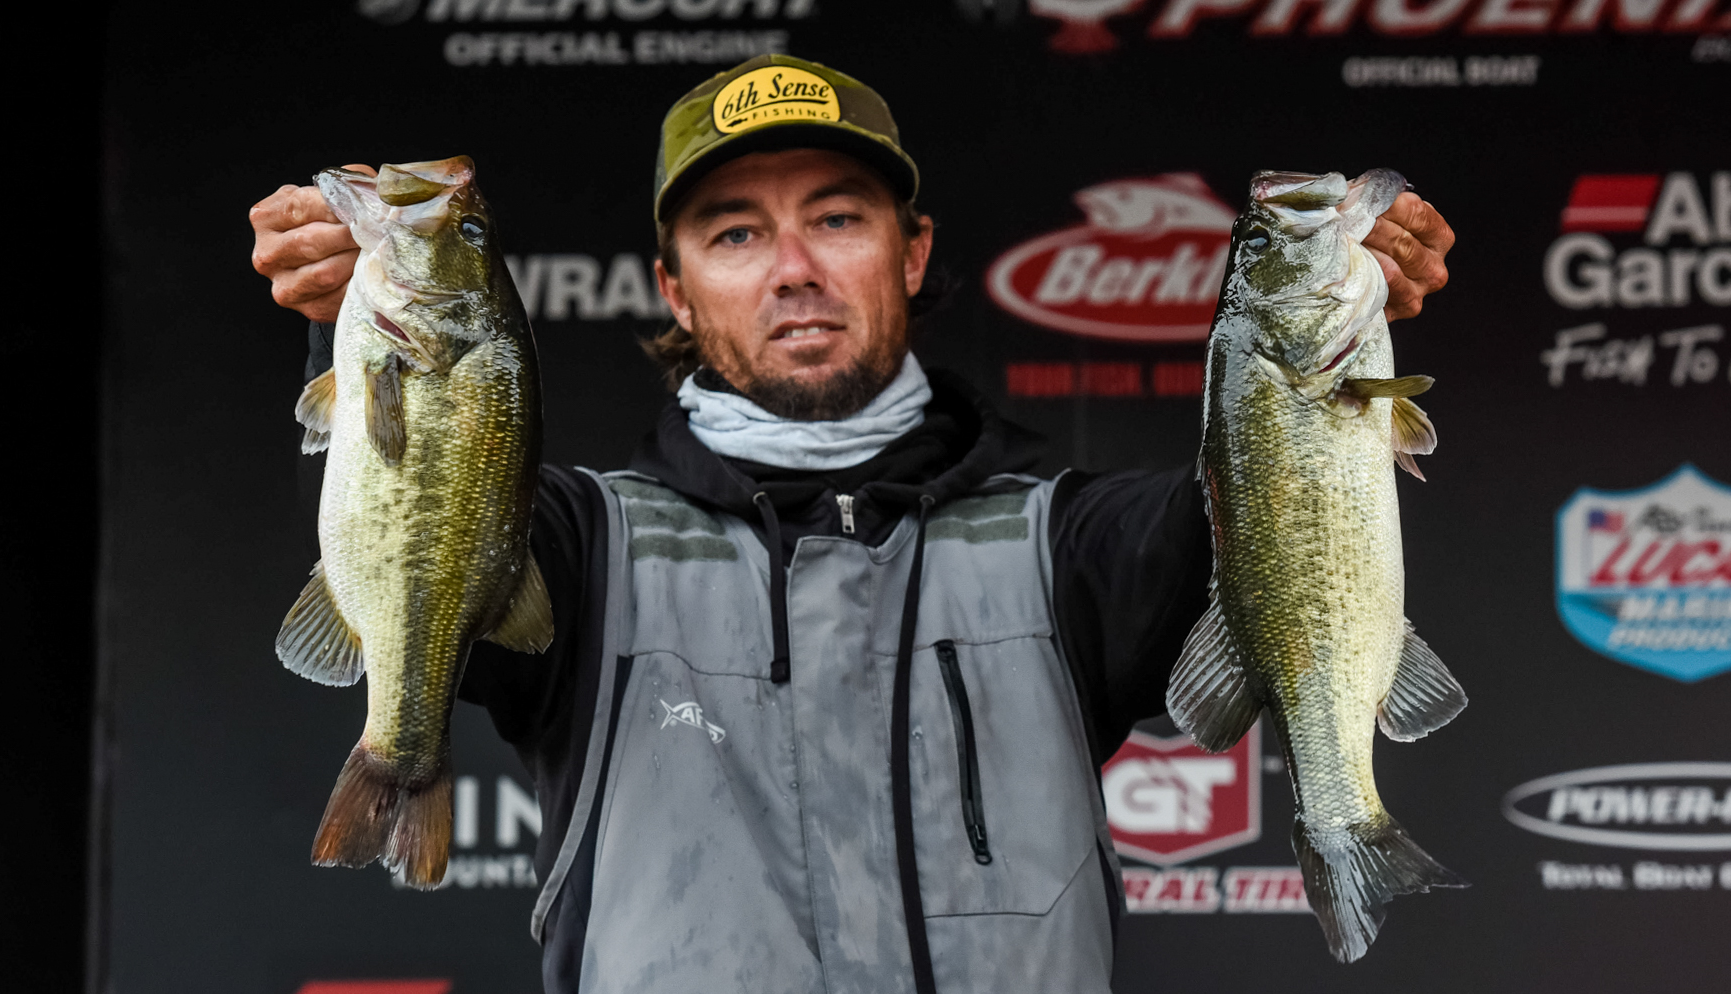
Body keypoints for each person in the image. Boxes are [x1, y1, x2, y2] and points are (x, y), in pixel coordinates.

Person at [248, 55, 1454, 994]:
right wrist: (340, 318)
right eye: (733, 232)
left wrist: (1330, 343)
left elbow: (1271, 515)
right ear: (673, 285)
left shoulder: (1069, 544)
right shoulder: (575, 541)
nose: (792, 268)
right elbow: (428, 496)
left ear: (911, 250)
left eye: (837, 218)